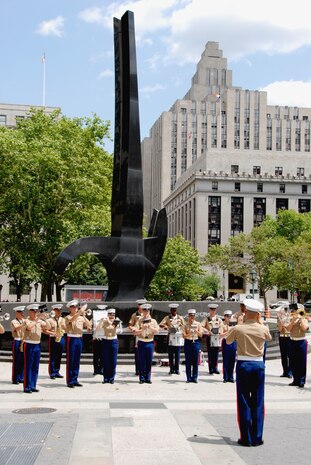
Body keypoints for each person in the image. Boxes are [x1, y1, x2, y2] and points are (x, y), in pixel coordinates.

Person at [226, 298, 272, 447]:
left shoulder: (238, 328)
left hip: (243, 364)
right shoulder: (262, 328)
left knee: (244, 400)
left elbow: (227, 341)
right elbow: (269, 338)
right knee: (258, 401)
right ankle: (257, 436)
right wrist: (260, 323)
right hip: (258, 364)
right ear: (258, 314)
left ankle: (246, 438)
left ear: (246, 312)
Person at [22, 303, 50, 394]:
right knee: (28, 366)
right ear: (30, 311)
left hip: (37, 345)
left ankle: (33, 385)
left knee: (35, 366)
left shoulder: (39, 321)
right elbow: (29, 328)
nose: (36, 313)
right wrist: (37, 319)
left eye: (36, 311)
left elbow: (48, 327)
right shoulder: (26, 320)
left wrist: (45, 318)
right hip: (29, 344)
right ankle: (27, 386)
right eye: (34, 311)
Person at [65, 300, 92, 388]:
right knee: (71, 360)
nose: (75, 308)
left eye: (76, 307)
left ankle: (75, 379)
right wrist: (80, 312)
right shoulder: (67, 317)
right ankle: (70, 380)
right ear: (70, 308)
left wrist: (83, 315)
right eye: (73, 307)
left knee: (77, 360)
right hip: (71, 338)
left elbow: (89, 326)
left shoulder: (80, 317)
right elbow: (72, 320)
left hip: (79, 338)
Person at [133, 303, 159, 384]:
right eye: (144, 310)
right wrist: (142, 329)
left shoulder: (153, 321)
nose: (146, 312)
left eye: (147, 310)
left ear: (149, 312)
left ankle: (148, 378)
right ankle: (142, 378)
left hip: (150, 342)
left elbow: (157, 331)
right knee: (141, 361)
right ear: (142, 311)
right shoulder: (139, 320)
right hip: (142, 342)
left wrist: (150, 327)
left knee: (149, 361)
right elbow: (135, 332)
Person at [285, 304, 309, 388]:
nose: (295, 312)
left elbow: (305, 328)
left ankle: (301, 381)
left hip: (301, 341)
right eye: (295, 310)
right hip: (292, 341)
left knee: (302, 362)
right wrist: (293, 321)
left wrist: (301, 320)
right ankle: (295, 380)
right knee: (293, 361)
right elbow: (287, 329)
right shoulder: (291, 319)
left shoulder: (304, 319)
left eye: (297, 310)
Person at [96, 308, 122, 384]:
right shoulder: (104, 321)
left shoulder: (116, 321)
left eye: (113, 314)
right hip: (105, 340)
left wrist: (111, 322)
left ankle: (112, 378)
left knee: (113, 360)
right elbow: (97, 329)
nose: (112, 316)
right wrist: (101, 321)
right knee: (105, 360)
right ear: (107, 315)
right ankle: (106, 378)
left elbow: (119, 330)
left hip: (113, 340)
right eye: (110, 314)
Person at [159, 303, 185, 375]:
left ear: (176, 310)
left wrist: (181, 330)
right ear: (170, 310)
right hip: (170, 338)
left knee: (177, 355)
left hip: (178, 338)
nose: (173, 311)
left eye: (175, 310)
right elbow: (161, 324)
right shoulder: (167, 317)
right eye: (172, 310)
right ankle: (171, 369)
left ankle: (177, 369)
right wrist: (166, 326)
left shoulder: (180, 318)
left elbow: (184, 326)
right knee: (170, 355)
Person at [45, 304, 66, 379]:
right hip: (53, 338)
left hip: (61, 337)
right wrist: (52, 333)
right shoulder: (49, 320)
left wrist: (63, 328)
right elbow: (45, 330)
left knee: (59, 355)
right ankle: (52, 372)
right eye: (58, 310)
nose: (60, 312)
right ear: (54, 311)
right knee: (53, 355)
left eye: (60, 310)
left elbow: (65, 328)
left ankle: (57, 371)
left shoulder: (63, 319)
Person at [182, 309, 203, 383]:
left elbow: (201, 335)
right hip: (188, 342)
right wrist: (189, 334)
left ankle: (194, 377)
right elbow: (183, 336)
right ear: (188, 316)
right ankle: (188, 378)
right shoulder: (185, 324)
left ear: (195, 316)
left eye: (193, 315)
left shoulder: (198, 324)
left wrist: (196, 331)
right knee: (188, 361)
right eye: (190, 315)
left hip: (196, 342)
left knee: (195, 361)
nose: (192, 317)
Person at [201, 303, 224, 374]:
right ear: (210, 310)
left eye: (214, 310)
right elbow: (201, 326)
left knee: (216, 354)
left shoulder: (219, 319)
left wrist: (219, 332)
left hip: (216, 338)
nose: (213, 311)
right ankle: (211, 369)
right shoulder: (207, 319)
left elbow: (221, 328)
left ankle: (215, 368)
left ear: (215, 311)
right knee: (210, 354)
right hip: (210, 338)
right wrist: (206, 331)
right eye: (212, 310)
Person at [128, 299, 146, 375]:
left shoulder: (147, 314)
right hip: (138, 336)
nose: (141, 306)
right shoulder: (134, 315)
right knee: (138, 354)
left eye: (142, 305)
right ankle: (138, 370)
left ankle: (144, 370)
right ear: (138, 306)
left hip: (145, 336)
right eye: (140, 305)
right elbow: (130, 325)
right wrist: (132, 329)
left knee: (145, 354)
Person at [10, 305, 26, 384]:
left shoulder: (24, 320)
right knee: (16, 360)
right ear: (16, 313)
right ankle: (15, 378)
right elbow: (17, 328)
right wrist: (24, 323)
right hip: (17, 341)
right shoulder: (14, 321)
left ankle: (21, 377)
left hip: (23, 341)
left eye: (22, 312)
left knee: (23, 360)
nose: (21, 313)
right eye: (20, 312)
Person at [276, 305, 292, 378]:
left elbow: (289, 328)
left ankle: (290, 372)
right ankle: (285, 371)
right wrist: (280, 320)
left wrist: (285, 321)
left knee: (290, 355)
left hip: (289, 337)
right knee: (283, 356)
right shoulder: (279, 318)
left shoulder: (290, 317)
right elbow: (279, 329)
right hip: (282, 337)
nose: (284, 313)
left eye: (285, 311)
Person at [221, 310, 236, 383]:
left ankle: (231, 376)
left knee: (232, 360)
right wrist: (228, 331)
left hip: (233, 342)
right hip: (226, 341)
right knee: (226, 360)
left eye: (230, 316)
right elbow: (220, 334)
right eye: (227, 316)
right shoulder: (222, 324)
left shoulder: (234, 324)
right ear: (224, 317)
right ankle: (226, 377)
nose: (228, 318)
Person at [92, 304, 107, 376]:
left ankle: (101, 369)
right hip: (96, 338)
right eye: (100, 311)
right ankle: (95, 370)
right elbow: (92, 326)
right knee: (96, 356)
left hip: (103, 338)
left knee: (103, 355)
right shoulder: (94, 316)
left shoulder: (107, 317)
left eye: (103, 311)